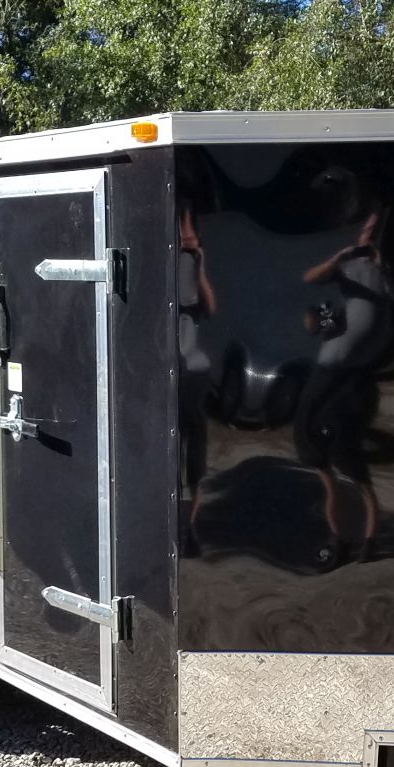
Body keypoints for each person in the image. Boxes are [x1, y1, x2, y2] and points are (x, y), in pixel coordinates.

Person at [295, 209, 394, 567]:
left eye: (375, 231)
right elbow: (312, 278)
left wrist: (384, 266)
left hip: (357, 376)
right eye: (366, 230)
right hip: (327, 369)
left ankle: (369, 541)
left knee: (351, 457)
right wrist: (341, 257)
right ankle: (338, 539)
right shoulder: (349, 268)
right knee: (311, 446)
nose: (368, 236)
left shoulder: (388, 276)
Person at [178, 208, 216, 554]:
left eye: (193, 235)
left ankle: (190, 529)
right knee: (172, 456)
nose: (190, 241)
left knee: (195, 460)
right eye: (183, 233)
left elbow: (210, 305)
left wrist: (199, 264)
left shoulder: (191, 264)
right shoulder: (173, 265)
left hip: (194, 373)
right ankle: (175, 528)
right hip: (171, 376)